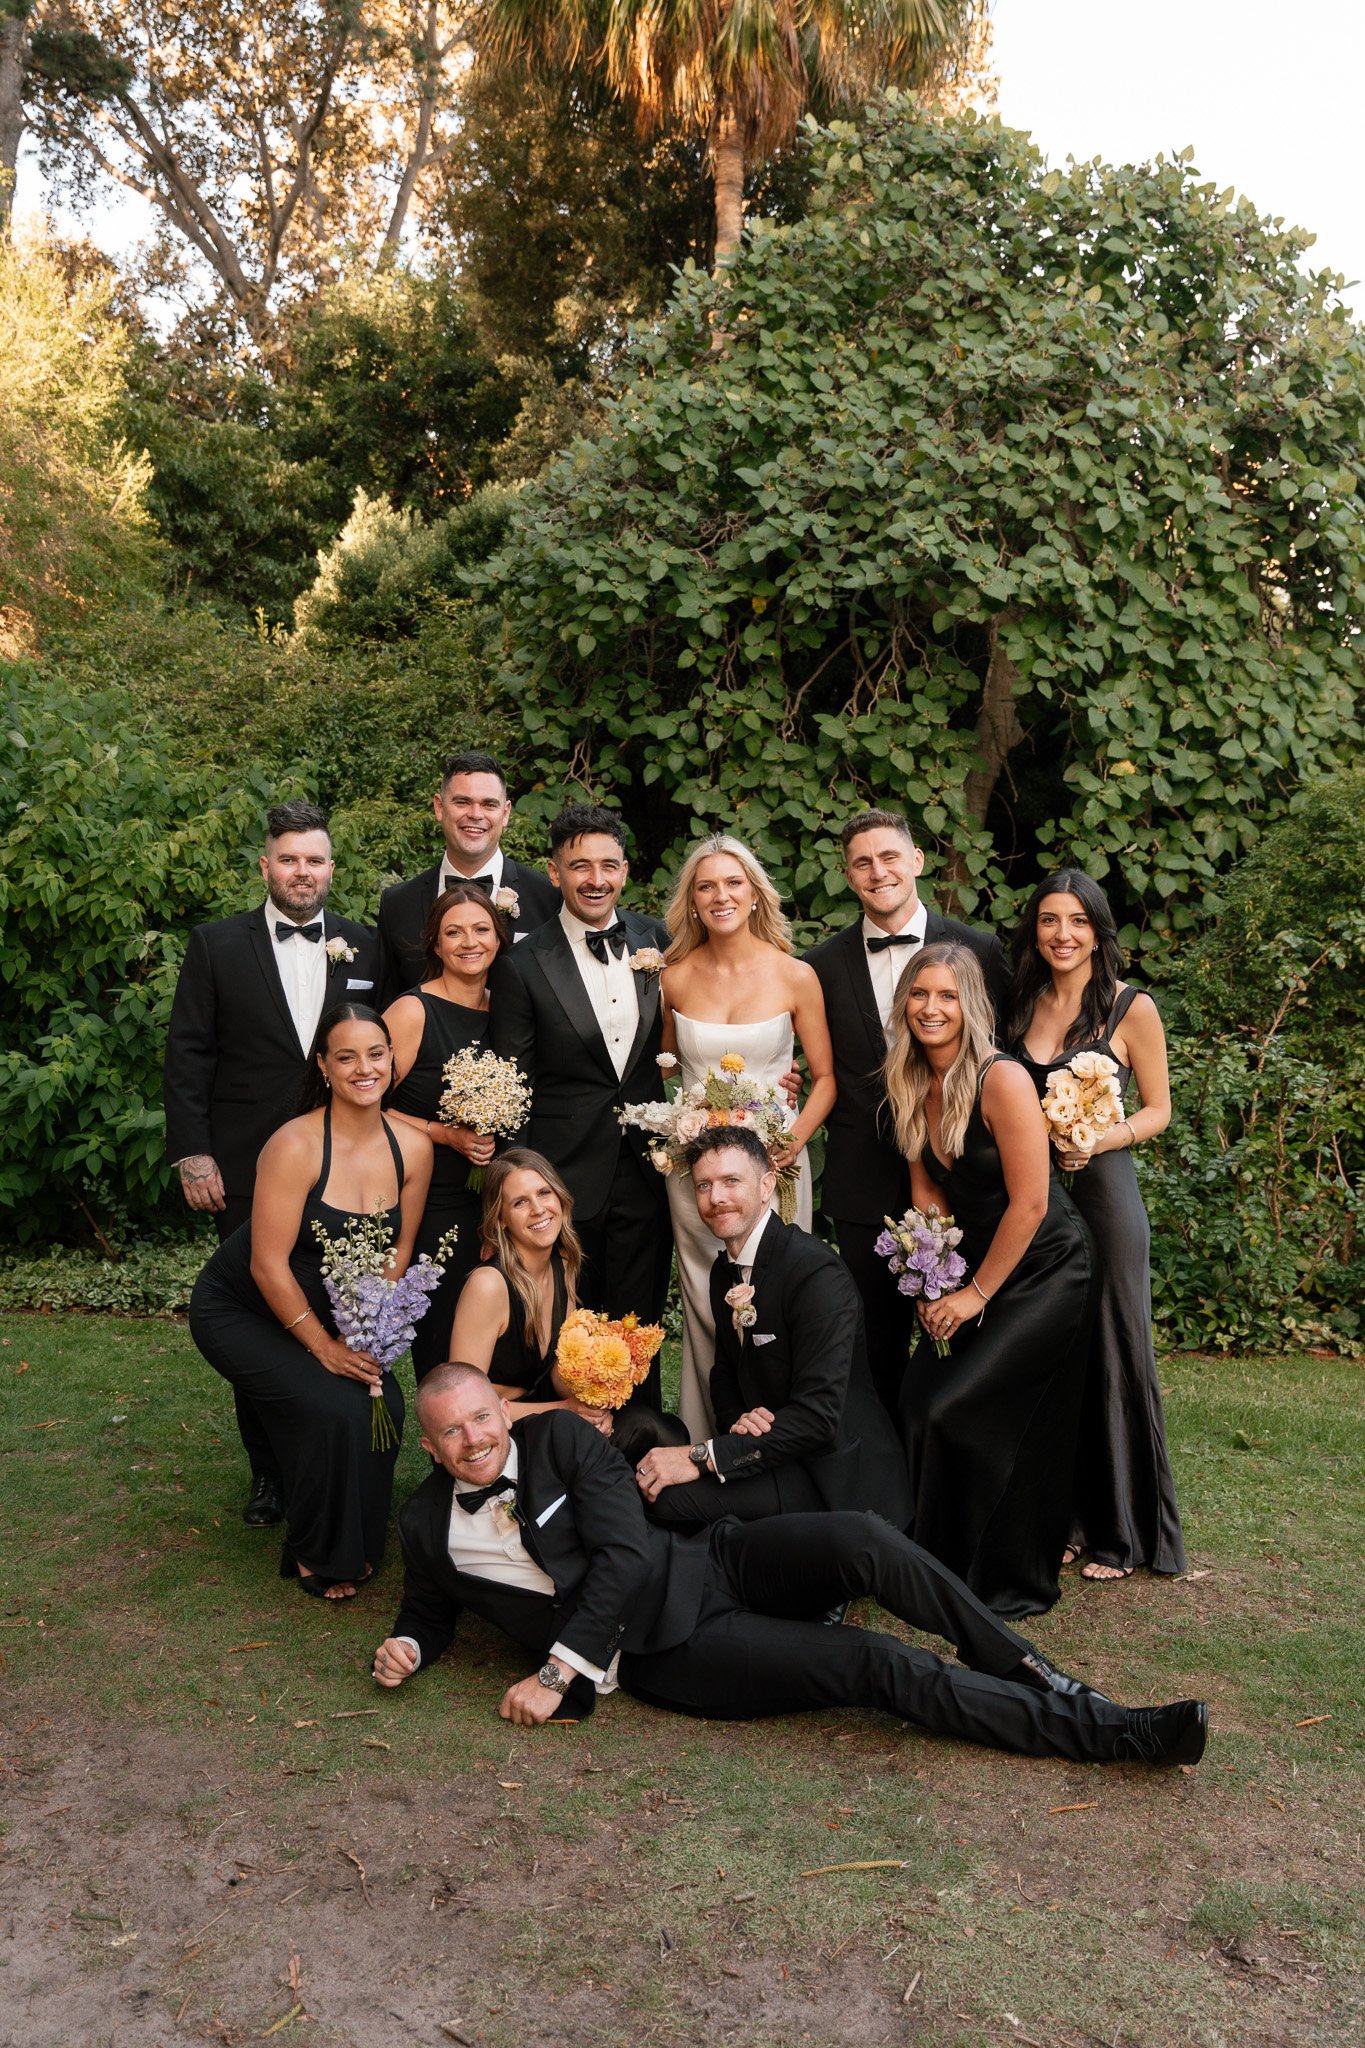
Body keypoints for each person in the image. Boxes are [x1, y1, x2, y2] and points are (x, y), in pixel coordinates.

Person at [371, 1365, 1209, 1771]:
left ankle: (1038, 1675)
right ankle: (1115, 1735)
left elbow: (626, 1552)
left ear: (502, 1411)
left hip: (709, 1560)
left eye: (484, 1417)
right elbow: (430, 1607)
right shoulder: (424, 1524)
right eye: (452, 1431)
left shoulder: (557, 1440)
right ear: (431, 1443)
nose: (475, 1439)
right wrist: (409, 1645)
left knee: (862, 1536)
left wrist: (553, 1671)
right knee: (878, 1666)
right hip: (671, 1650)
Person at [163, 799, 381, 1525]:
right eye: (288, 859)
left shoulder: (365, 945)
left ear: (330, 867)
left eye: (314, 859)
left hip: (344, 1170)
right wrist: (194, 1152)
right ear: (266, 865)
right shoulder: (217, 945)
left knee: (328, 1314)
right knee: (260, 1320)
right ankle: (269, 1476)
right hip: (248, 1171)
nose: (301, 871)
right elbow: (188, 1053)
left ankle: (327, 1457)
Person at [189, 1005, 433, 1599]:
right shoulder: (294, 1145)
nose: (363, 1068)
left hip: (330, 1308)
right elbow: (266, 1264)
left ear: (392, 1059)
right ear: (324, 1067)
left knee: (385, 1405)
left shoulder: (414, 1148)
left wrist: (371, 1330)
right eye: (345, 1057)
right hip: (241, 1309)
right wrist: (323, 1346)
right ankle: (312, 1550)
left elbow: (398, 1253)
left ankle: (357, 1542)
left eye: (375, 1053)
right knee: (334, 1408)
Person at [885, 944, 1094, 1619]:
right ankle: (931, 1566)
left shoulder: (1000, 1079)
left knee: (961, 1406)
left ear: (969, 1006)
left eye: (946, 996)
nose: (930, 1008)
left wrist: (973, 1296)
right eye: (919, 995)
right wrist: (930, 1279)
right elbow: (928, 1194)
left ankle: (1005, 1574)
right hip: (970, 1268)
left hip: (1045, 1268)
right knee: (919, 1400)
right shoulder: (910, 1080)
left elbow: (1031, 1204)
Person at [1008, 870, 1185, 1582]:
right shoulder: (1020, 1006)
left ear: (1098, 930)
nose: (1061, 934)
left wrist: (1099, 1139)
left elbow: (1157, 1109)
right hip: (1037, 1201)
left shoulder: (1129, 1007)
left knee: (1113, 1352)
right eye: (1049, 920)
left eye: (1076, 921)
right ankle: (1063, 1521)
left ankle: (1122, 1534)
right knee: (1053, 1353)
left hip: (1105, 1198)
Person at [805, 810, 1010, 1416]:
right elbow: (818, 1065)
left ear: (917, 861)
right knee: (875, 1351)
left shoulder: (979, 948)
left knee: (971, 1343)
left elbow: (1006, 1056)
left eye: (890, 856)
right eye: (863, 862)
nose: (878, 871)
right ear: (848, 875)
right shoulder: (819, 964)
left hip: (961, 1175)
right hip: (863, 1183)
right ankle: (885, 1487)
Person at [635, 1127, 910, 1529]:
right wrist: (739, 1425)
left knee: (670, 1502)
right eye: (704, 1185)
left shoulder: (815, 1273)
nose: (717, 1198)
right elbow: (725, 1373)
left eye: (732, 1181)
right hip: (770, 1452)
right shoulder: (722, 1273)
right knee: (655, 1490)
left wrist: (705, 1455)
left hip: (832, 1477)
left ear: (767, 1186)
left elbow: (818, 1418)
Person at [487, 805, 672, 1389]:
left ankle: (643, 1443)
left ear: (624, 872)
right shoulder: (521, 964)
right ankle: (574, 1443)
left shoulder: (657, 940)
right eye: (580, 866)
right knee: (573, 1324)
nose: (596, 879)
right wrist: (523, 1187)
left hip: (647, 1165)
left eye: (609, 866)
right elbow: (513, 1084)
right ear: (554, 872)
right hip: (564, 1173)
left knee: (640, 1320)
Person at [658, 834, 836, 1437]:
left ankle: (782, 1436)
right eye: (706, 886)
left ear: (755, 893)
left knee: (776, 1297)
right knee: (708, 1306)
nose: (721, 895)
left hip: (775, 1163)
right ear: (692, 900)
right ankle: (705, 1439)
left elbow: (827, 1080)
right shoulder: (673, 979)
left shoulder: (796, 976)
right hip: (695, 1171)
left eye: (733, 883)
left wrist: (793, 1141)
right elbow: (662, 1069)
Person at [448, 1150, 688, 1463]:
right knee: (646, 1435)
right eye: (520, 1202)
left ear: (560, 1198)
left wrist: (592, 1402)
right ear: (501, 1219)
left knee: (667, 1431)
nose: (538, 1209)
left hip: (554, 1417)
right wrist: (565, 1411)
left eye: (544, 1193)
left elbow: (558, 1368)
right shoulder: (488, 1285)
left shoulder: (563, 1265)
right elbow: (463, 1404)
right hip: (504, 1435)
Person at [383, 885, 505, 1381]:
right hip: (431, 1202)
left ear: (499, 937)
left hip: (494, 1202)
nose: (469, 942)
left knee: (489, 1335)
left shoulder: (508, 1008)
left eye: (481, 929)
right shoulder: (413, 1011)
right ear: (435, 944)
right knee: (439, 1334)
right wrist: (442, 1133)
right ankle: (446, 1444)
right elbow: (359, 1105)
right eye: (454, 932)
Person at [376, 751, 559, 1002]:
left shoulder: (549, 898)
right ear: (439, 807)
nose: (475, 814)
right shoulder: (397, 904)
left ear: (505, 813)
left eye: (488, 804)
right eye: (462, 802)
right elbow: (387, 1003)